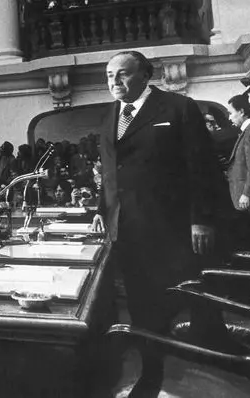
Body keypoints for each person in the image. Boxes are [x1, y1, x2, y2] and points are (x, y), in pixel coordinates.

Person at [92, 50, 232, 398]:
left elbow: (201, 168)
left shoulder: (177, 108)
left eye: (122, 74)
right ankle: (151, 372)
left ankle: (204, 371)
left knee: (184, 298)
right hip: (126, 228)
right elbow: (109, 172)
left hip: (172, 227)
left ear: (145, 74)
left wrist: (201, 219)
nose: (114, 82)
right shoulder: (109, 114)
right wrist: (100, 209)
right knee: (141, 304)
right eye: (109, 76)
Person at [225, 93, 250, 251]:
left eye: (231, 113)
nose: (229, 118)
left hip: (248, 200)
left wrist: (247, 193)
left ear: (241, 111)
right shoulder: (248, 129)